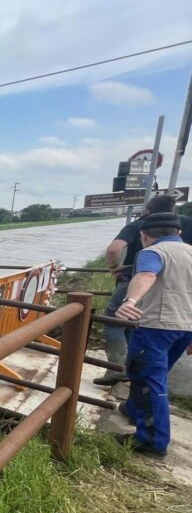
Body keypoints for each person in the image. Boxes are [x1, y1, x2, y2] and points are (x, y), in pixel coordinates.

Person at [114, 212, 192, 458]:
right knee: (154, 374)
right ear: (178, 232)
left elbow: (146, 275)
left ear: (144, 236)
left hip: (157, 325)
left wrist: (131, 300)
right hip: (185, 326)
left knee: (148, 379)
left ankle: (152, 440)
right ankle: (134, 410)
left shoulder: (152, 253)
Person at [96, 194, 192, 385]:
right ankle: (136, 372)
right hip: (179, 290)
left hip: (138, 280)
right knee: (138, 323)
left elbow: (114, 249)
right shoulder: (186, 223)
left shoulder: (142, 224)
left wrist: (114, 268)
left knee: (115, 318)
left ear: (148, 210)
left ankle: (118, 366)